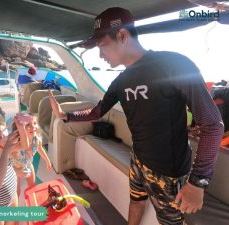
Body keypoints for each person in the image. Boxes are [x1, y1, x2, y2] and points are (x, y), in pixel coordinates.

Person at [48, 7, 224, 225]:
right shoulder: (121, 80)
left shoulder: (173, 65)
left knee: (169, 222)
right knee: (136, 201)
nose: (100, 55)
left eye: (102, 46)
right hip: (138, 159)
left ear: (122, 35)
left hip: (168, 171)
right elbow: (97, 112)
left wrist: (198, 182)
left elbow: (212, 124)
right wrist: (65, 116)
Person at [11, 112, 52, 197]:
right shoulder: (15, 143)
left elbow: (40, 149)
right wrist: (16, 171)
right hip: (14, 168)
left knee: (33, 187)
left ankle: (33, 204)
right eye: (28, 125)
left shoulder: (36, 140)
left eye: (34, 123)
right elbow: (5, 158)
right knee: (16, 191)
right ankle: (15, 208)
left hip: (28, 165)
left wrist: (47, 161)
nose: (33, 127)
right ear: (19, 128)